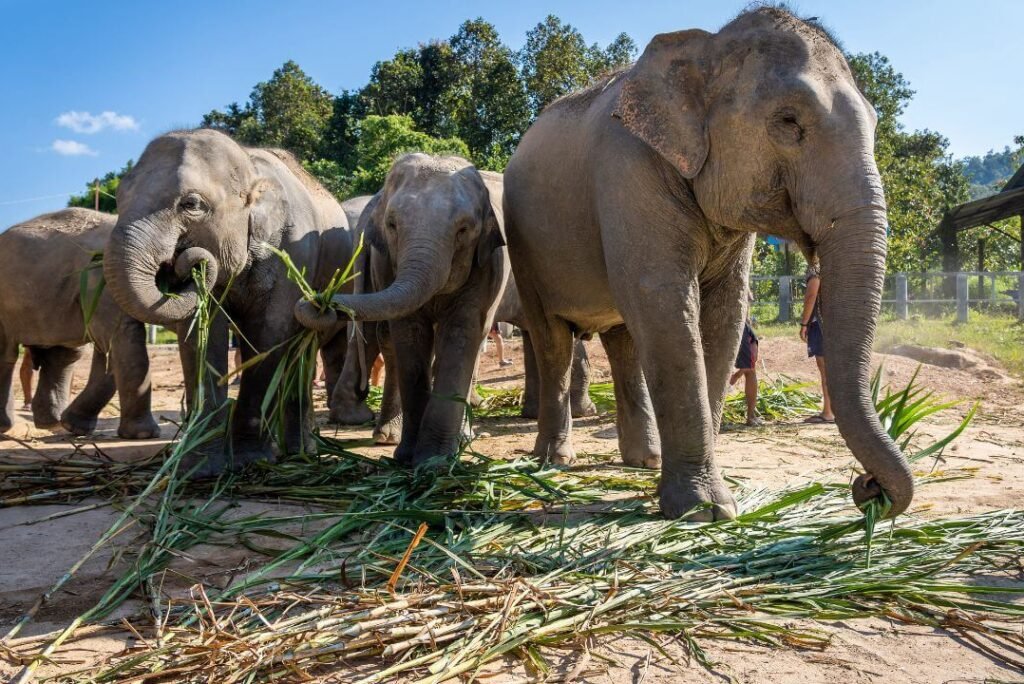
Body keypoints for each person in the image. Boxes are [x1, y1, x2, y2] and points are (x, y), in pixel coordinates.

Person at [800, 264, 834, 423]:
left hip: (820, 325)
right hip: (834, 323)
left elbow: (811, 295)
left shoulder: (816, 269)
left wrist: (804, 324)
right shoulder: (833, 264)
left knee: (825, 369)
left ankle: (828, 412)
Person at [730, 319, 761, 426]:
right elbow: (750, 366)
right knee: (751, 371)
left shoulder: (747, 329)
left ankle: (751, 415)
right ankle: (750, 416)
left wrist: (737, 375)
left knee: (750, 370)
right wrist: (736, 376)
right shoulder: (746, 331)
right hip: (736, 323)